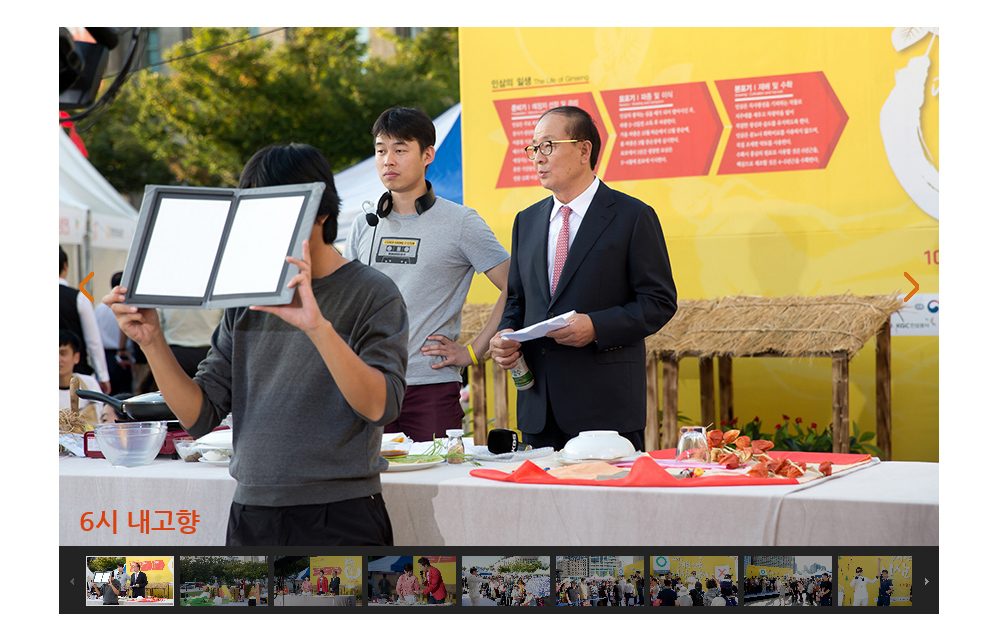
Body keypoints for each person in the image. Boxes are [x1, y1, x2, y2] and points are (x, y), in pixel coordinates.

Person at [104, 143, 407, 546]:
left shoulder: (373, 292)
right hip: (252, 514)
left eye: (277, 213)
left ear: (321, 212)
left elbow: (380, 406)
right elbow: (202, 417)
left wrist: (319, 328)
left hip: (342, 513)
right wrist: (153, 341)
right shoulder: (246, 296)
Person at [490, 105, 677, 451]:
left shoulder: (632, 216)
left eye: (548, 145)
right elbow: (517, 299)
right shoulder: (526, 222)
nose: (537, 158)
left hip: (604, 408)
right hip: (539, 410)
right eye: (533, 148)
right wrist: (505, 333)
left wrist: (595, 326)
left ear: (583, 150)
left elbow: (659, 302)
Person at [344, 106, 510, 442]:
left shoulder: (461, 222)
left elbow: (515, 288)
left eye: (400, 150)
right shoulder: (365, 225)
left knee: (438, 486)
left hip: (430, 388)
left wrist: (473, 352)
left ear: (428, 154)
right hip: (369, 385)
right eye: (380, 151)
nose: (388, 161)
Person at [60, 247, 110, 392]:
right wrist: (103, 376)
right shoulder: (79, 297)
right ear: (65, 266)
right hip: (76, 375)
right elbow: (93, 340)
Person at [94, 271, 133, 395]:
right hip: (121, 355)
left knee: (106, 393)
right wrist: (122, 347)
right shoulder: (126, 308)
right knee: (123, 394)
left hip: (103, 355)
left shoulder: (100, 307)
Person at [156, 308, 224, 378]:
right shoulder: (216, 298)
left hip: (175, 353)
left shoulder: (165, 298)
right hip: (207, 352)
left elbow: (157, 323)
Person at [59, 330, 103, 422]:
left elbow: (101, 416)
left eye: (63, 353)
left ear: (76, 357)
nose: (58, 359)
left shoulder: (89, 384)